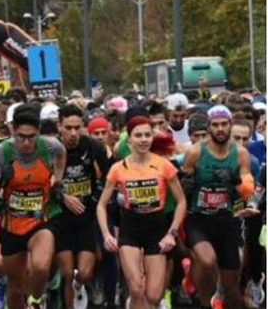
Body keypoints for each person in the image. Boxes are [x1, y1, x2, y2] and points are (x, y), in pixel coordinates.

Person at [0, 106, 65, 309]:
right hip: (11, 226)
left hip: (40, 221)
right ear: (13, 131)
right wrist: (0, 183)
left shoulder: (49, 146)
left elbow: (61, 154)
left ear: (38, 132)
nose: (27, 143)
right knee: (14, 288)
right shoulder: (2, 152)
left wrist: (57, 179)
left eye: (32, 137)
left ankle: (36, 300)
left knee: (40, 267)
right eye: (22, 137)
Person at [96, 116, 188, 309]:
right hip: (130, 228)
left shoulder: (164, 165)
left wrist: (172, 233)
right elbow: (101, 205)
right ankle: (134, 299)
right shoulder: (118, 168)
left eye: (147, 135)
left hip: (157, 228)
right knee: (137, 288)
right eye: (138, 135)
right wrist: (106, 234)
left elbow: (181, 202)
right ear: (129, 140)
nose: (144, 139)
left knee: (154, 295)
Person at [178, 106, 256, 309]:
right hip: (199, 219)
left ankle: (215, 298)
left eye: (224, 124)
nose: (220, 129)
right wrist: (187, 182)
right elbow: (181, 190)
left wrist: (234, 178)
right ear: (209, 127)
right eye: (215, 125)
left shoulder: (240, 154)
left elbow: (248, 190)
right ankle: (205, 303)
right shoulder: (195, 152)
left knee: (231, 285)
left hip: (227, 219)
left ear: (230, 125)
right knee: (207, 260)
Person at [50, 105, 109, 309]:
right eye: (68, 128)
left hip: (86, 216)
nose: (73, 133)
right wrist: (62, 196)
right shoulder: (51, 149)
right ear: (60, 127)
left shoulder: (92, 146)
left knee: (83, 273)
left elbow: (111, 176)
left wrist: (96, 197)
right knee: (67, 272)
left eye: (77, 127)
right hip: (60, 218)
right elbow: (41, 183)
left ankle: (80, 285)